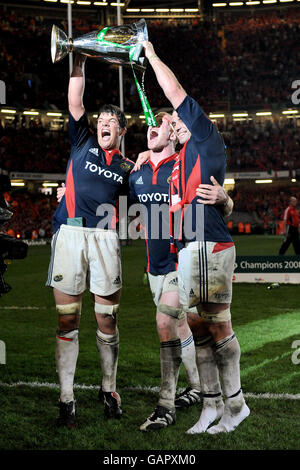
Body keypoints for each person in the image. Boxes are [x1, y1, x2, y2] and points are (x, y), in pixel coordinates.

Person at [142, 40, 249, 435]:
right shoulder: (178, 162)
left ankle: (234, 405)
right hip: (190, 251)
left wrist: (150, 55)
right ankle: (213, 406)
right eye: (173, 123)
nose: (176, 124)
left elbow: (174, 93)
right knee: (199, 327)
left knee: (217, 326)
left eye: (180, 119)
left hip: (210, 247)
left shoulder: (204, 136)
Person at [46, 53, 134, 428]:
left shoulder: (128, 169)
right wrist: (78, 61)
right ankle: (66, 398)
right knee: (68, 320)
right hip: (69, 234)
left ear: (122, 131)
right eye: (102, 120)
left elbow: (149, 202)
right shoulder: (82, 140)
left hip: (103, 239)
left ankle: (108, 388)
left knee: (106, 320)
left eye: (112, 121)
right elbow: (75, 102)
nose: (104, 123)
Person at [131, 113, 234, 432]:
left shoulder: (186, 162)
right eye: (152, 123)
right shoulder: (137, 170)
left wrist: (226, 199)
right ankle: (202, 391)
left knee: (171, 322)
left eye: (161, 124)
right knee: (186, 328)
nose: (153, 127)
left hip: (182, 261)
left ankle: (167, 404)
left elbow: (220, 204)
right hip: (154, 266)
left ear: (174, 134)